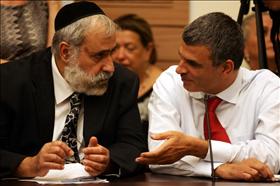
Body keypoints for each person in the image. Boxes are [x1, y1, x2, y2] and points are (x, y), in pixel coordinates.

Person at [0, 1, 146, 178]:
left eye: (110, 52)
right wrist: (28, 165)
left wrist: (109, 161)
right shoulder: (10, 81)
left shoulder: (122, 82)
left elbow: (134, 147)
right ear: (65, 52)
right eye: (99, 55)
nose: (110, 67)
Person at [135, 12, 280, 181]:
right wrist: (217, 168)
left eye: (193, 64)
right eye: (181, 58)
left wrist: (200, 148)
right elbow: (158, 157)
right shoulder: (170, 82)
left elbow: (272, 157)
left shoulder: (267, 86)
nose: (179, 69)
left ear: (226, 68)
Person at [111, 14, 162, 134]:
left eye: (130, 48)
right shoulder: (105, 83)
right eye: (115, 48)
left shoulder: (163, 86)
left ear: (148, 50)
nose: (120, 56)